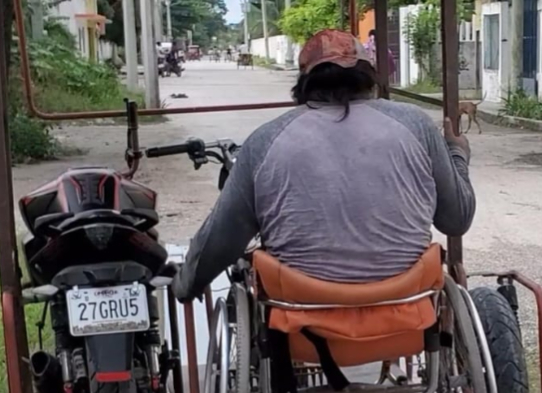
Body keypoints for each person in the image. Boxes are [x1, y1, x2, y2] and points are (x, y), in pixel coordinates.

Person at [174, 29, 474, 300]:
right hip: (405, 309)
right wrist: (458, 154)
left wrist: (186, 286)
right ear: (368, 76)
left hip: (302, 320)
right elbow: (456, 220)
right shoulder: (415, 124)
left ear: (304, 82)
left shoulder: (266, 141)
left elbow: (222, 237)